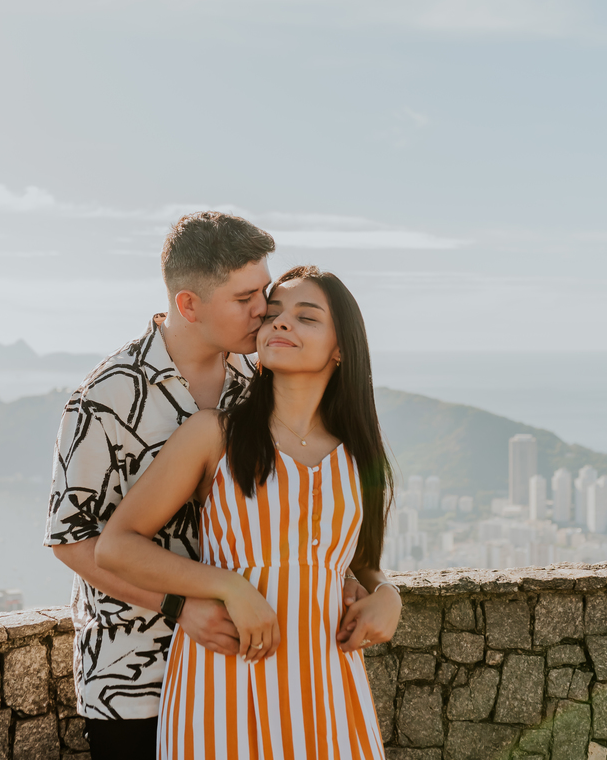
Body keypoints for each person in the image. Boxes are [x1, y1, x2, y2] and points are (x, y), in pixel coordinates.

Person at [98, 265, 402, 759]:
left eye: (307, 318)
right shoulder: (213, 434)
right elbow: (117, 545)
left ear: (341, 347)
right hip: (224, 684)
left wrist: (388, 594)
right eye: (274, 314)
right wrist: (229, 585)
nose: (280, 324)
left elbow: (359, 560)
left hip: (328, 689)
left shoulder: (358, 455)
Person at [47, 212, 319, 758]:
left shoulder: (257, 383)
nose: (262, 309)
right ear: (189, 305)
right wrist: (179, 604)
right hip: (133, 679)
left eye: (263, 291)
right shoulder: (106, 398)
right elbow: (71, 540)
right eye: (244, 298)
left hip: (237, 667)